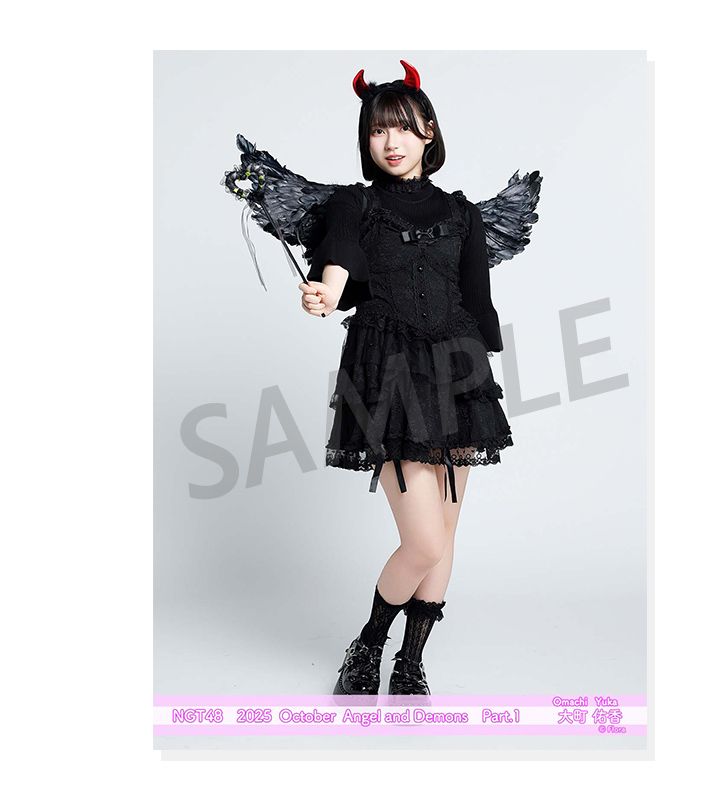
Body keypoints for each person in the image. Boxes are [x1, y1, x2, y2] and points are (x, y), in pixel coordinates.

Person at [298, 61, 513, 699]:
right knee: (422, 541)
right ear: (366, 139)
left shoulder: (462, 213)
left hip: (458, 374)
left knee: (443, 536)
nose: (390, 141)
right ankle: (367, 645)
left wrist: (480, 379)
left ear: (429, 132)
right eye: (377, 130)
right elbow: (341, 254)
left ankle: (410, 661)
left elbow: (477, 299)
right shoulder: (355, 203)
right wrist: (327, 290)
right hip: (389, 375)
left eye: (402, 127)